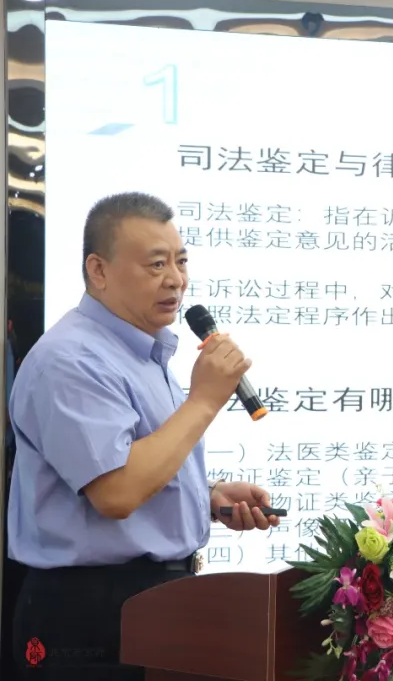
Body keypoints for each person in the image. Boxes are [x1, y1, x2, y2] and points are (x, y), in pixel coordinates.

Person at [6, 192, 279, 680]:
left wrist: (207, 497)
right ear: (98, 270)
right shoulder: (71, 360)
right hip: (87, 612)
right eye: (156, 264)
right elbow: (116, 492)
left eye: (180, 261)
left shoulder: (140, 352)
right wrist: (203, 401)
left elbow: (138, 461)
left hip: (155, 600)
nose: (175, 279)